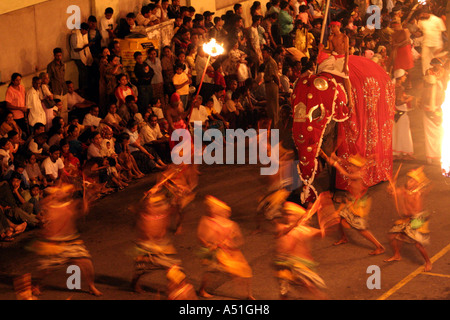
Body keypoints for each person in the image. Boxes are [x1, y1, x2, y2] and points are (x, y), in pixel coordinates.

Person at [28, 183, 102, 297]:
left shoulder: (70, 204)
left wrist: (87, 199)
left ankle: (91, 286)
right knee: (46, 269)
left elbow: (82, 212)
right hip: (54, 243)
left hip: (71, 241)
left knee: (87, 263)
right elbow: (41, 203)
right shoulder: (48, 205)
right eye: (57, 192)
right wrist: (56, 193)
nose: (61, 192)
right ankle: (37, 285)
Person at [320, 152, 385, 255]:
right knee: (341, 218)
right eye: (350, 165)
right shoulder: (359, 169)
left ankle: (379, 246)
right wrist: (337, 158)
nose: (349, 167)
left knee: (360, 229)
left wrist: (335, 164)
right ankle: (344, 237)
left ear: (357, 167)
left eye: (351, 166)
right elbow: (347, 163)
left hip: (357, 204)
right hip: (351, 200)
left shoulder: (358, 174)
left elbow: (346, 174)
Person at [197, 196, 254, 300]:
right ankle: (202, 290)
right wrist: (209, 245)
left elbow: (240, 240)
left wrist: (231, 245)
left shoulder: (232, 225)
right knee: (209, 271)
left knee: (246, 271)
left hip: (230, 252)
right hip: (215, 252)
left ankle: (248, 294)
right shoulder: (208, 221)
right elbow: (201, 236)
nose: (226, 214)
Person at [130, 192, 183, 294]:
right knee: (142, 269)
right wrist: (152, 245)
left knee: (171, 266)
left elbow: (173, 208)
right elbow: (144, 233)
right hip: (146, 246)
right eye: (157, 205)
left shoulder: (162, 214)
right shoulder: (144, 218)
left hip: (161, 244)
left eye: (160, 204)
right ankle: (134, 283)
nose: (161, 206)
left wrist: (178, 199)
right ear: (148, 207)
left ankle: (172, 289)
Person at [274, 201, 328, 299]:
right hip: (285, 265)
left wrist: (325, 220)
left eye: (291, 214)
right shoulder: (281, 228)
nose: (288, 216)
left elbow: (321, 233)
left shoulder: (305, 230)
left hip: (301, 266)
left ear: (297, 216)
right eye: (287, 214)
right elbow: (284, 232)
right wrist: (301, 219)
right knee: (284, 293)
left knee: (314, 290)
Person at [384, 166, 432, 271]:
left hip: (417, 219)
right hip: (407, 218)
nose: (410, 182)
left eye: (413, 180)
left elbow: (416, 211)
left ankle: (428, 262)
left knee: (418, 244)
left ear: (417, 183)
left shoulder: (417, 194)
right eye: (409, 179)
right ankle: (397, 255)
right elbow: (393, 194)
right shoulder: (404, 189)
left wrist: (407, 213)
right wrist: (390, 189)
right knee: (392, 236)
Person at [318, 21, 353, 110]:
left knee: (345, 76)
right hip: (333, 56)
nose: (332, 28)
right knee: (321, 68)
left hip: (342, 58)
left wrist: (345, 65)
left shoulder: (344, 37)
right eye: (331, 27)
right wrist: (321, 49)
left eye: (334, 27)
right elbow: (330, 50)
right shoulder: (331, 37)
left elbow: (346, 52)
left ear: (338, 26)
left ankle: (350, 100)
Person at [422, 58, 446, 165]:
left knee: (439, 133)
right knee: (430, 134)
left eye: (438, 65)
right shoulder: (428, 73)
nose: (437, 66)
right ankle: (430, 156)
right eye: (435, 65)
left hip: (437, 107)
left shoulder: (443, 73)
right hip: (429, 108)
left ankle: (438, 154)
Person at [392, 69, 415, 161]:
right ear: (400, 78)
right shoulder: (399, 88)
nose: (405, 77)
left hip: (395, 112)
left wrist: (404, 97)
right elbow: (398, 102)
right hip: (401, 112)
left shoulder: (393, 86)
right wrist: (408, 100)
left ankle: (396, 152)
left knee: (397, 133)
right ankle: (405, 152)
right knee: (404, 133)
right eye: (404, 76)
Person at [417, 9, 447, 75]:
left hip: (437, 44)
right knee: (425, 60)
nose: (422, 15)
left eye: (423, 14)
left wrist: (445, 44)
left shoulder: (437, 20)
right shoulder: (421, 21)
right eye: (421, 14)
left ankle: (440, 74)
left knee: (438, 60)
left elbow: (443, 32)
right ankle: (427, 75)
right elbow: (421, 31)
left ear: (428, 13)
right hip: (426, 43)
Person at [69, 23, 94, 96]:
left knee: (86, 71)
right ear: (82, 29)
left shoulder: (84, 35)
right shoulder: (74, 35)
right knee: (83, 72)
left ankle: (85, 88)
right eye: (85, 31)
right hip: (77, 56)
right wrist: (85, 46)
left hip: (83, 56)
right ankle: (82, 88)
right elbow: (76, 49)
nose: (86, 33)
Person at [262, 46, 280, 128]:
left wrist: (279, 85)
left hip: (272, 84)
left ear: (269, 53)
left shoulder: (271, 62)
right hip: (268, 84)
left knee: (273, 106)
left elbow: (275, 75)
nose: (263, 54)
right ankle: (272, 125)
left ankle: (274, 125)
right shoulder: (267, 62)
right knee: (270, 106)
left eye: (264, 52)